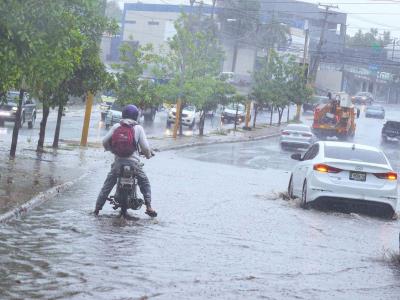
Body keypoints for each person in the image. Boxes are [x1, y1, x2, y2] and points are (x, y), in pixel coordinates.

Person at [94, 104, 157, 217]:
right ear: (136, 116)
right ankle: (148, 206)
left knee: (107, 185)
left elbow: (104, 141)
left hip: (118, 164)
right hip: (134, 165)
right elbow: (146, 148)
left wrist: (111, 150)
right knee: (145, 183)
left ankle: (97, 209)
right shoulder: (138, 128)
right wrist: (147, 155)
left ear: (123, 114)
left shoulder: (117, 126)